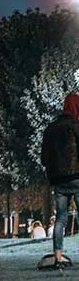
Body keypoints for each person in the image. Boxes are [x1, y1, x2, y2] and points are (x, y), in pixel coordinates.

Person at [41, 92, 79, 268]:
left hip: (58, 180)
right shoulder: (75, 126)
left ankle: (58, 257)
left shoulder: (50, 129)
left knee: (61, 219)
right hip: (77, 177)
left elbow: (44, 158)